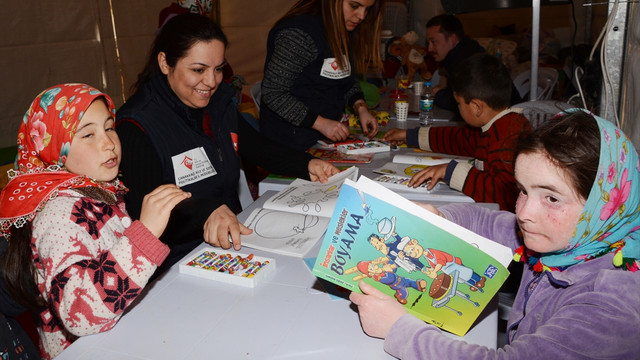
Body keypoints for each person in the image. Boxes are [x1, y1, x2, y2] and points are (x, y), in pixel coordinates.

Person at [350, 109, 640, 358]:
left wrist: (398, 329)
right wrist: (440, 216)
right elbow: (488, 223)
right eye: (523, 191)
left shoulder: (610, 307)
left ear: (604, 206)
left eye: (551, 198)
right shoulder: (574, 239)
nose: (524, 213)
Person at [116, 13, 339, 271]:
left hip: (232, 242)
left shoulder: (219, 101)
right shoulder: (136, 125)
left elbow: (256, 146)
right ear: (165, 63)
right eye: (198, 70)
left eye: (218, 69)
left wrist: (306, 163)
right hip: (175, 262)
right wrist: (206, 211)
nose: (211, 82)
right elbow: (146, 209)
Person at [0, 84, 191, 359]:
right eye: (88, 134)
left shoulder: (100, 191)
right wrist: (144, 236)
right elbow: (79, 313)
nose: (109, 143)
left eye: (110, 127)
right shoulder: (57, 214)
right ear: (54, 148)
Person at [383, 53, 531, 211]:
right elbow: (459, 140)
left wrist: (451, 170)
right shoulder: (497, 124)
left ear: (476, 107)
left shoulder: (509, 137)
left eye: (458, 103)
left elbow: (506, 196)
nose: (458, 108)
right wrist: (409, 136)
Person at [259, 0, 383, 151]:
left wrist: (361, 108)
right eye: (354, 6)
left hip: (320, 139)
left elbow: (344, 79)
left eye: (367, 9)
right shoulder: (299, 34)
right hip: (289, 143)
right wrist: (320, 123)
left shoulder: (341, 27)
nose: (362, 16)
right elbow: (273, 93)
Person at [425, 14, 522, 112]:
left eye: (434, 42)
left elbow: (461, 103)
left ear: (452, 39)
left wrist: (437, 94)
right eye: (428, 43)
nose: (430, 48)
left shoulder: (465, 62)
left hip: (504, 120)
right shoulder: (469, 48)